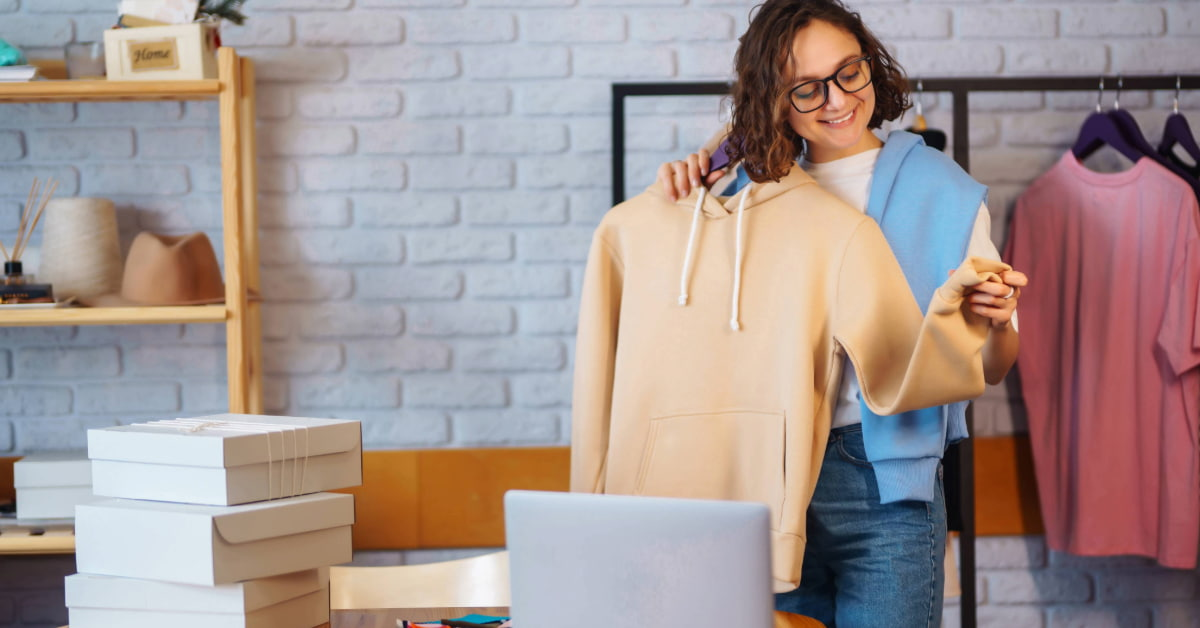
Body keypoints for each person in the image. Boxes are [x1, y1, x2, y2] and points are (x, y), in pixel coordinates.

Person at [654, 1, 1027, 626]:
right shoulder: (746, 192)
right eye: (806, 88)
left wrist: (995, 320)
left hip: (888, 486)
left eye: (848, 72)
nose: (836, 100)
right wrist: (687, 190)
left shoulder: (944, 191)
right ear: (775, 99)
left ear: (870, 65)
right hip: (765, 479)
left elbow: (992, 368)